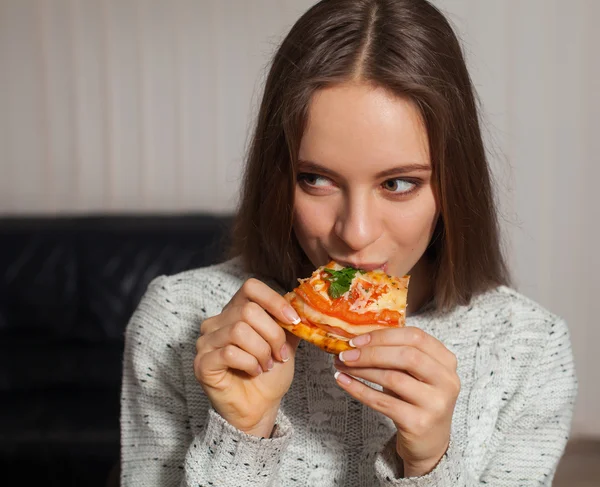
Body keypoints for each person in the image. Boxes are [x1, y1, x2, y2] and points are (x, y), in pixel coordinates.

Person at [120, 0, 577, 485]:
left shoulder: (530, 349)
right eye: (316, 179)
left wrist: (430, 466)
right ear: (278, 178)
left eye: (398, 183)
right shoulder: (176, 320)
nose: (355, 233)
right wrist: (243, 435)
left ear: (453, 185)